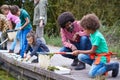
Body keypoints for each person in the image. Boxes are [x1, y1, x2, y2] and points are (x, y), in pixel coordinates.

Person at [72, 13, 119, 78]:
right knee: (80, 56)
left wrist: (78, 51)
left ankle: (112, 66)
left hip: (102, 58)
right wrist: (77, 34)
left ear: (90, 28)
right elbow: (83, 33)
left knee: (92, 75)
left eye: (85, 29)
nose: (84, 31)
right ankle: (97, 67)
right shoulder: (92, 33)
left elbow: (92, 51)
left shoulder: (97, 36)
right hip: (96, 57)